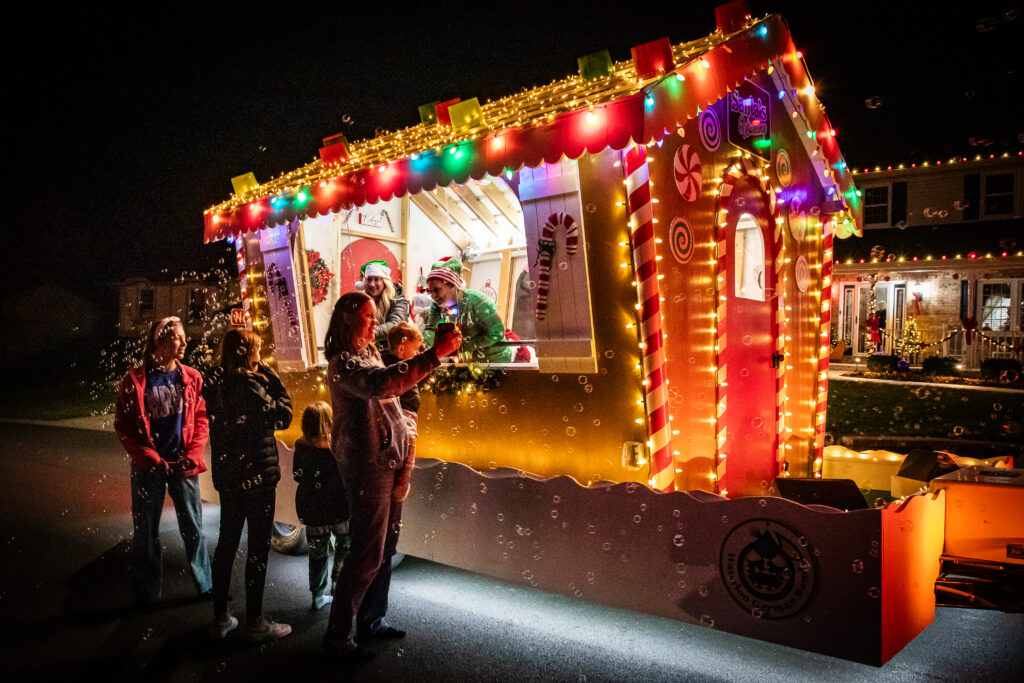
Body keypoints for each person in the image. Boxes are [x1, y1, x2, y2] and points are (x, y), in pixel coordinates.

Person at [322, 291, 462, 662]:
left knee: (384, 550)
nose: (374, 321)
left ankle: (371, 620)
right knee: (366, 552)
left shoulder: (367, 354)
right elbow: (384, 383)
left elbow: (393, 389)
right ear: (348, 319)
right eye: (367, 315)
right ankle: (338, 639)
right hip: (367, 467)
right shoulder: (343, 363)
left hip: (390, 463)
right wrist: (432, 356)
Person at [115, 316, 212, 609]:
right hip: (148, 469)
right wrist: (149, 458)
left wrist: (193, 454)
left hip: (183, 466)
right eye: (178, 338)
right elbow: (125, 426)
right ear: (159, 341)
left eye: (184, 337)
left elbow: (201, 419)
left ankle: (206, 587)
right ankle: (146, 596)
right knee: (145, 533)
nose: (185, 342)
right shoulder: (135, 380)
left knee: (194, 528)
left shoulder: (192, 377)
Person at [203, 328, 293, 641]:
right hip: (258, 480)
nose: (261, 355)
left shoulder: (214, 385)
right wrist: (269, 373)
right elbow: (284, 416)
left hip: (229, 479)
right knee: (257, 547)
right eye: (257, 349)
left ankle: (220, 618)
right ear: (248, 353)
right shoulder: (253, 385)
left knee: (226, 544)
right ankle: (255, 620)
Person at [294, 401, 350, 610]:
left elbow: (297, 476)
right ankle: (339, 585)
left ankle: (317, 595)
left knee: (317, 553)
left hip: (313, 510)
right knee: (344, 546)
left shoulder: (302, 446)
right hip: (338, 509)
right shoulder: (338, 447)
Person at [422, 257, 512, 363]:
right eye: (430, 291)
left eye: (437, 290)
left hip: (495, 360)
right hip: (467, 361)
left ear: (452, 286)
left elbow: (497, 332)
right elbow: (431, 329)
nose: (433, 296)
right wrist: (423, 344)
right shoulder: (437, 306)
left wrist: (466, 346)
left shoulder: (478, 301)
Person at [381, 322, 426, 502]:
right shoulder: (403, 369)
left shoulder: (388, 365)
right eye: (415, 350)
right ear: (401, 350)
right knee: (410, 439)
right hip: (404, 412)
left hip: (399, 413)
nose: (417, 354)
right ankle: (404, 477)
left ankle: (401, 475)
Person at [358, 260, 410, 349]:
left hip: (395, 351)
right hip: (368, 350)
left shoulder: (397, 297)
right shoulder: (360, 300)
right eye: (369, 279)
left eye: (377, 279)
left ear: (384, 281)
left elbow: (396, 324)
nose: (372, 284)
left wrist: (369, 333)